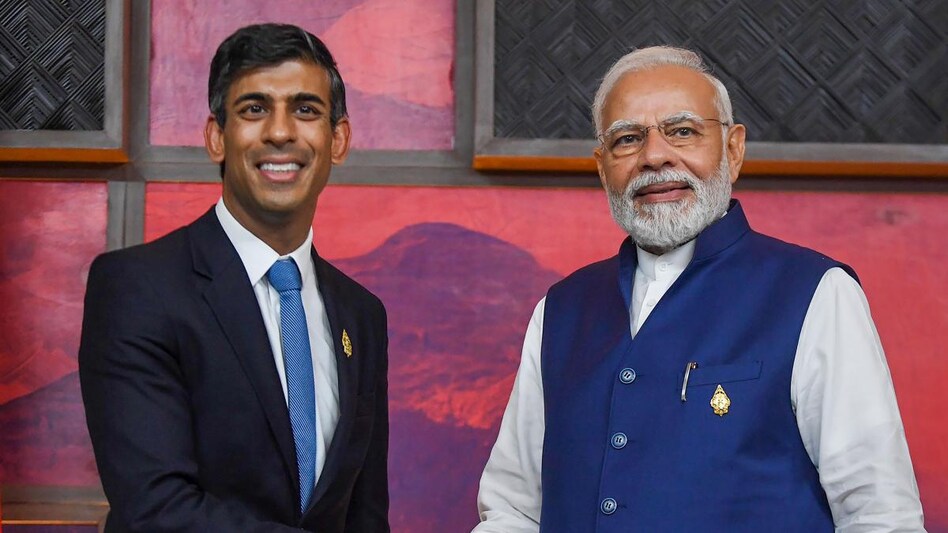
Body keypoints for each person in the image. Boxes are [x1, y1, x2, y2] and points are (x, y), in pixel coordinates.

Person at [474, 46, 925, 532]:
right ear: (602, 167)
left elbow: (879, 514)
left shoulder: (815, 293)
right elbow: (512, 510)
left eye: (682, 131)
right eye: (627, 139)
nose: (655, 156)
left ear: (733, 150)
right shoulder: (560, 311)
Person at [79, 24, 389, 532]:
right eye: (254, 109)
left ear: (338, 139)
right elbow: (157, 510)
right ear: (216, 137)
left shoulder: (362, 314)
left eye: (306, 110)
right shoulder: (137, 288)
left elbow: (366, 513)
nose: (281, 132)